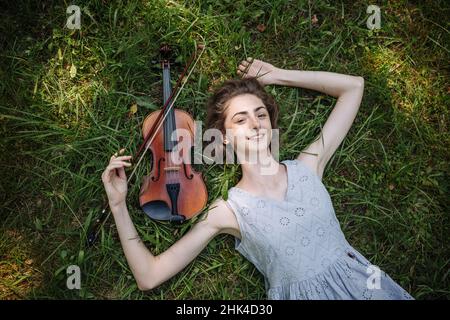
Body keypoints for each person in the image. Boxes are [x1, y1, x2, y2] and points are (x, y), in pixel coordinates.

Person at [101, 58, 414, 300]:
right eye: (241, 118)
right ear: (223, 138)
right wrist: (118, 205)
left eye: (261, 114)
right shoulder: (229, 210)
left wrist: (276, 75)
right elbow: (149, 275)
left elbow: (353, 87)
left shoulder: (309, 165)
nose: (255, 123)